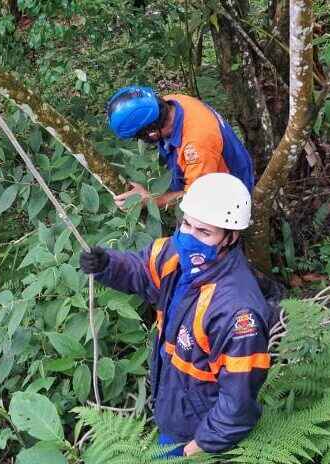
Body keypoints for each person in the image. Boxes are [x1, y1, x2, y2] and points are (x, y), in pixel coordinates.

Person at [79, 173, 272, 456]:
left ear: (230, 237)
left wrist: (197, 448)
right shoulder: (175, 252)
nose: (189, 238)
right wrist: (107, 265)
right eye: (187, 224)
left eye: (204, 232)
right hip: (173, 402)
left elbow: (238, 401)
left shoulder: (237, 312)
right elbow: (142, 270)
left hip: (198, 431)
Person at [106, 86, 254, 209]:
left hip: (229, 195)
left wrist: (152, 201)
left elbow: (199, 198)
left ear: (151, 132)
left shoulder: (197, 144)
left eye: (140, 136)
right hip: (210, 168)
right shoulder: (172, 102)